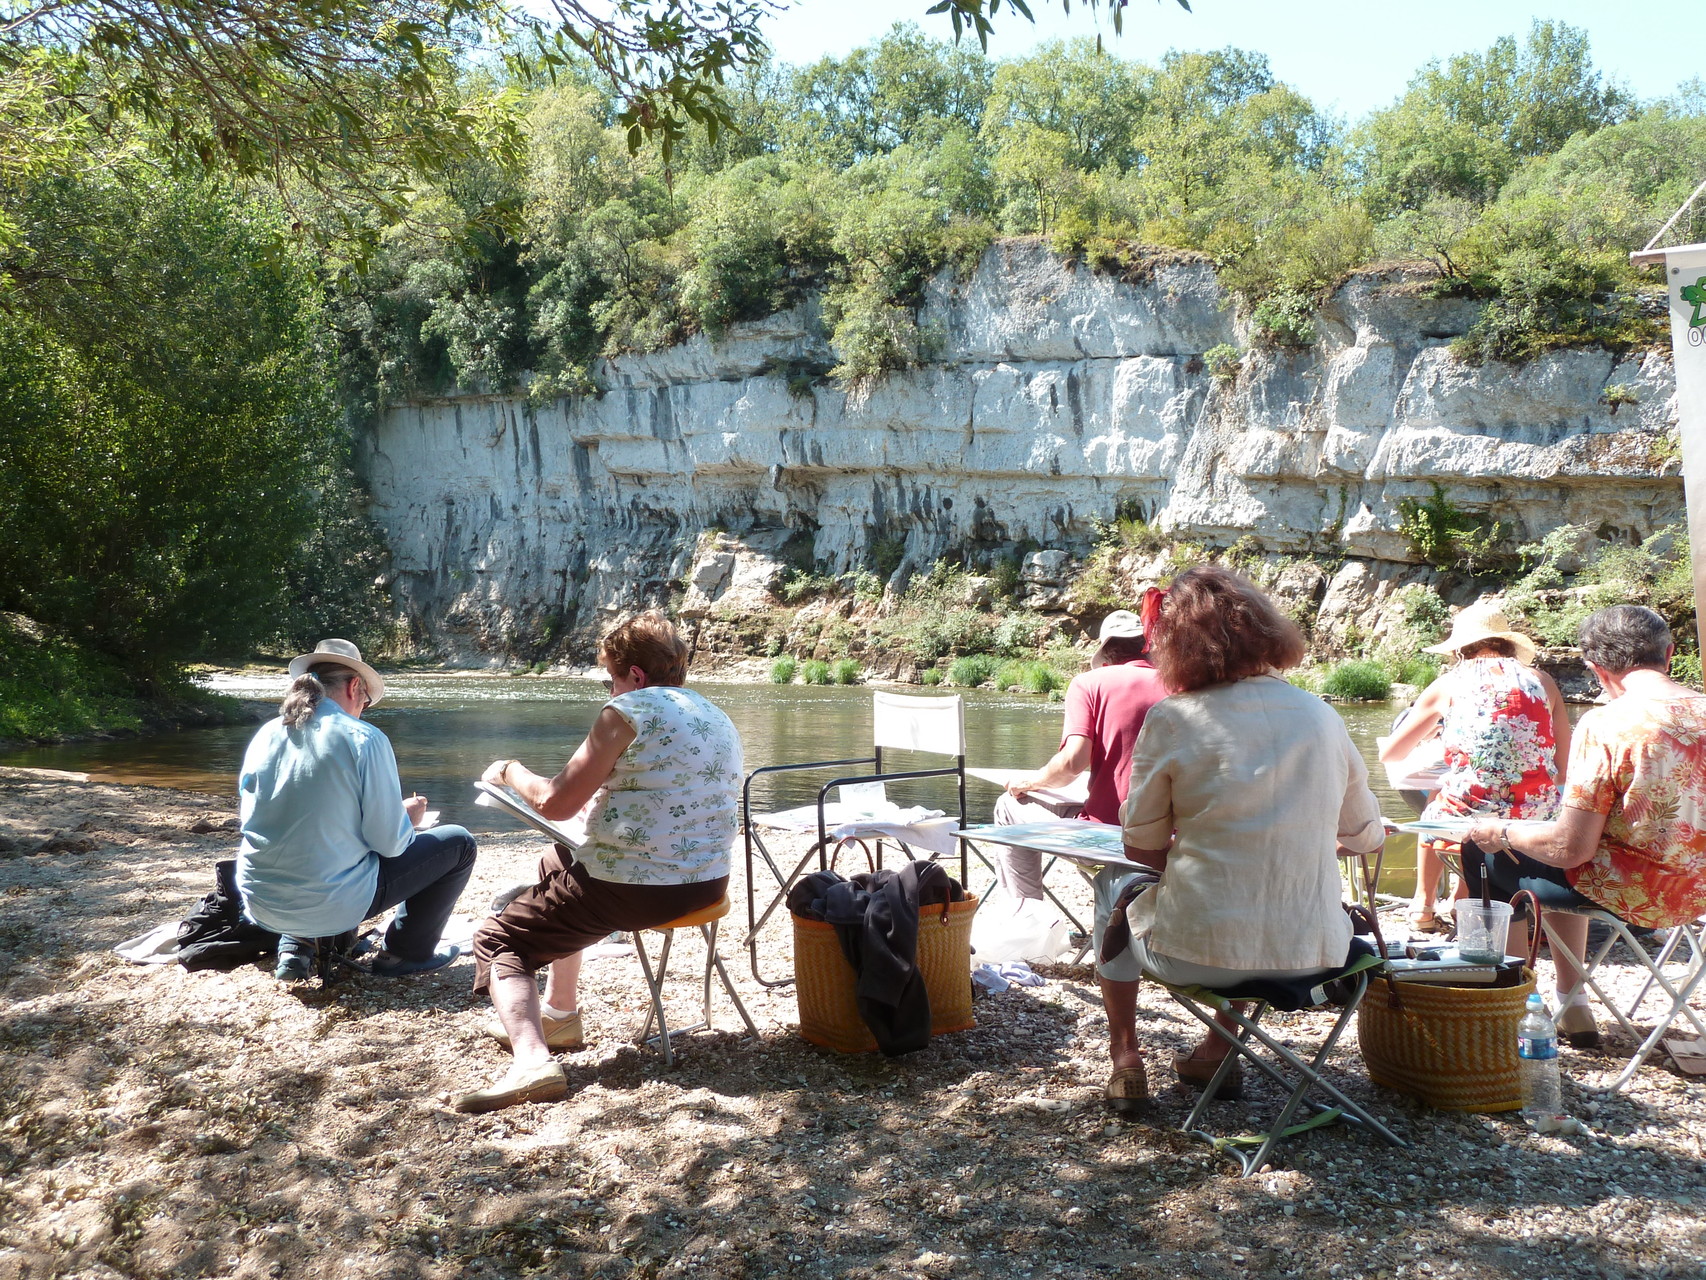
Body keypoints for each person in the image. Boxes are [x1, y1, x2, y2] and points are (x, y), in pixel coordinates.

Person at [1099, 566, 1385, 1111]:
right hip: (1314, 956)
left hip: (1199, 956)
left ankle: (1126, 1058)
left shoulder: (1174, 718)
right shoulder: (1322, 715)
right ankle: (1214, 1052)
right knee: (1260, 895)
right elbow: (1366, 836)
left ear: (1176, 645)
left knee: (1113, 886)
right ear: (1267, 633)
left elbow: (1141, 850)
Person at [456, 613, 743, 1114]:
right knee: (555, 858)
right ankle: (561, 1012)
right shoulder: (712, 711)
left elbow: (553, 803)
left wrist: (509, 770)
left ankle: (532, 1063)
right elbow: (666, 789)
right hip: (706, 882)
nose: (610, 689)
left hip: (639, 889)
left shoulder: (628, 710)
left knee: (497, 937)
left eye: (612, 676)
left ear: (634, 674)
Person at [1465, 605, 1706, 1048]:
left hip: (1637, 897)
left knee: (1486, 851)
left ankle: (1520, 1003)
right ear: (1669, 653)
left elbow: (1570, 849)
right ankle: (1570, 1002)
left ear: (1597, 668)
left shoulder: (1607, 724)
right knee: (1543, 852)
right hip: (1698, 895)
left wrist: (1501, 831)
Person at [237, 639, 477, 981]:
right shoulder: (364, 738)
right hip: (331, 903)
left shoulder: (266, 734)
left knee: (315, 841)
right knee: (459, 843)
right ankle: (405, 953)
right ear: (354, 687)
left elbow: (257, 819)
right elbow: (390, 844)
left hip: (261, 902)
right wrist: (406, 818)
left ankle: (295, 947)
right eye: (365, 700)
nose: (363, 708)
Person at [1379, 602, 1569, 934]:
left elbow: (1392, 754)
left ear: (1461, 648)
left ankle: (1422, 906)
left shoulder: (1449, 683)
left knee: (1440, 796)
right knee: (1481, 793)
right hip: (1536, 818)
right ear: (1507, 643)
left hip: (1470, 819)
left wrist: (1442, 744)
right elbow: (1562, 769)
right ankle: (1460, 903)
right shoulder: (1544, 682)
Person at [992, 606, 1169, 895]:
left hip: (1109, 838)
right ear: (1147, 648)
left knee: (1008, 806)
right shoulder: (1178, 684)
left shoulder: (1088, 684)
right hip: (1168, 841)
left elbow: (1072, 764)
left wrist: (1029, 782)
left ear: (1106, 654)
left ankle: (1026, 914)